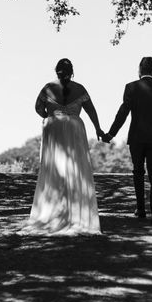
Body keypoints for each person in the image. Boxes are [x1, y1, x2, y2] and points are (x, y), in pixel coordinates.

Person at [25, 58, 105, 234]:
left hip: (54, 128)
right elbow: (91, 110)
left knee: (54, 167)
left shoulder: (47, 88)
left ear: (56, 71)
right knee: (75, 168)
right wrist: (98, 128)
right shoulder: (80, 89)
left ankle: (52, 209)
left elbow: (38, 108)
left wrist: (49, 114)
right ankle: (76, 211)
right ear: (72, 71)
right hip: (74, 127)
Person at [102, 57, 152, 225]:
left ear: (140, 69)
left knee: (138, 172)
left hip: (136, 137)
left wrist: (111, 134)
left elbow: (123, 113)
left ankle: (141, 209)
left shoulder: (131, 87)